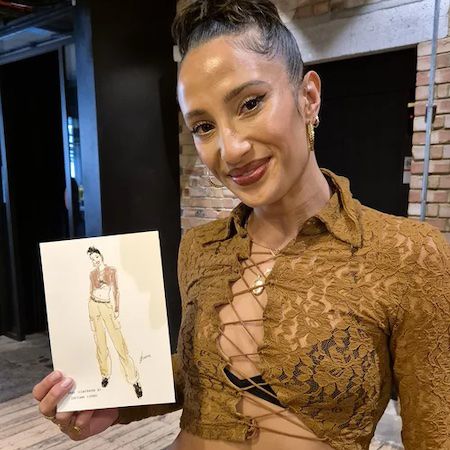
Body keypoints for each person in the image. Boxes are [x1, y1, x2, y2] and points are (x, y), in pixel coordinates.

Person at [32, 1, 450, 449]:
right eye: (203, 126)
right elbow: (200, 373)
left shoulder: (408, 256)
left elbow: (436, 433)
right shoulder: (200, 247)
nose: (229, 150)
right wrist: (115, 403)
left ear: (308, 97)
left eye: (250, 104)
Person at [86, 246, 143, 398]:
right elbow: (91, 291)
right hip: (94, 306)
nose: (94, 260)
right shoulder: (92, 274)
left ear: (100, 256)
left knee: (119, 343)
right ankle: (105, 374)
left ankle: (134, 380)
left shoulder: (111, 271)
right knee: (100, 343)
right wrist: (90, 314)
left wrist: (117, 308)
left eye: (96, 257)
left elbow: (116, 290)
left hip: (107, 306)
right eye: (92, 259)